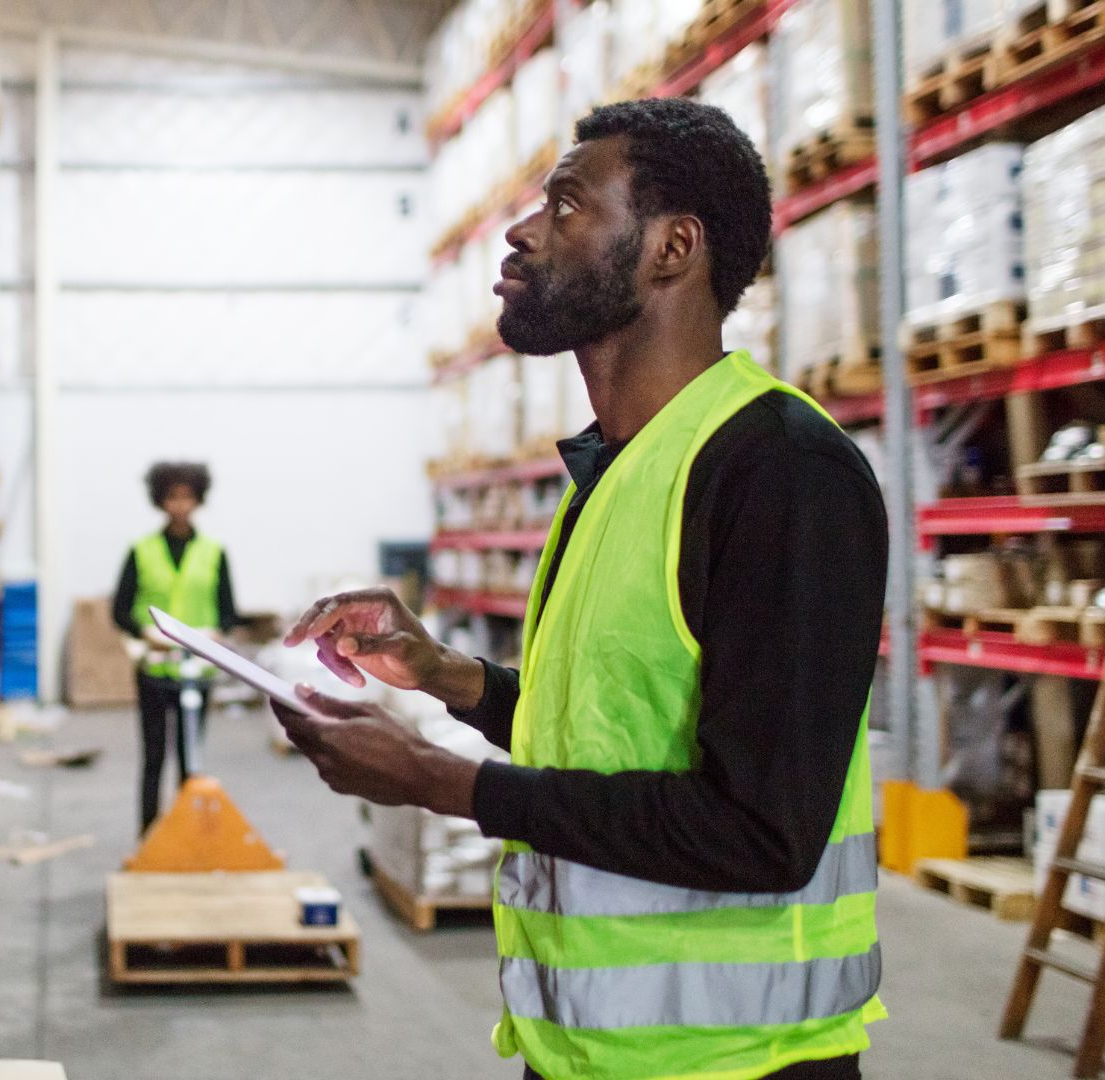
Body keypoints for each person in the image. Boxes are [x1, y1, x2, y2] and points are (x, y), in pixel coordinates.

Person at [277, 99, 888, 1080]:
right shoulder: (620, 473)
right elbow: (602, 736)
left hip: (742, 1060)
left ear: (671, 248)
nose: (521, 232)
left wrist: (441, 782)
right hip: (586, 1053)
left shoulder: (782, 471)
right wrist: (446, 677)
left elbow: (764, 828)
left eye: (565, 207)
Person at [113, 461, 240, 833]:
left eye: (187, 497)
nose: (180, 505)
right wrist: (144, 633)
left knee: (192, 758)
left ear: (198, 500)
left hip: (197, 672)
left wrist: (215, 634)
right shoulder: (141, 550)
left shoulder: (214, 552)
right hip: (154, 669)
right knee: (154, 757)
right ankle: (148, 835)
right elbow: (120, 609)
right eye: (172, 497)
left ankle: (188, 834)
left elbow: (229, 611)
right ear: (160, 501)